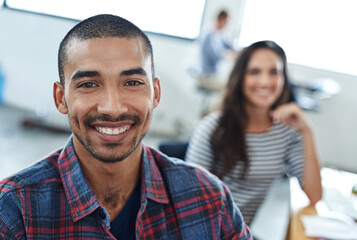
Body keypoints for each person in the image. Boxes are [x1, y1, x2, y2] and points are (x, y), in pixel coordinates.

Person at [0, 14, 252, 239]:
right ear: (60, 98)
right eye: (88, 84)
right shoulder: (15, 212)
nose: (113, 108)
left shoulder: (208, 198)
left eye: (132, 83)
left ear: (155, 94)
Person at [185, 40, 322, 225]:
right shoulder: (213, 127)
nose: (265, 82)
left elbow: (314, 195)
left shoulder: (286, 132)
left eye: (274, 72)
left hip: (242, 232)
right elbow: (189, 204)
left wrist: (308, 131)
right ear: (240, 77)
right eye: (254, 72)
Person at [198, 10, 237, 90]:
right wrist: (226, 55)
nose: (227, 25)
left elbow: (229, 46)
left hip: (214, 74)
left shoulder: (220, 35)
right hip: (207, 76)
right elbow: (213, 55)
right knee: (230, 90)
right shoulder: (209, 35)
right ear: (221, 19)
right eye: (226, 22)